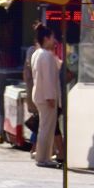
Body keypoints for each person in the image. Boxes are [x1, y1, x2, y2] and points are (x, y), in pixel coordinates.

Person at [30, 23, 62, 168]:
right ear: (46, 38)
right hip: (46, 96)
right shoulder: (46, 56)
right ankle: (43, 158)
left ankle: (44, 156)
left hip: (39, 95)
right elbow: (48, 78)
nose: (54, 41)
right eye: (52, 38)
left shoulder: (37, 54)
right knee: (46, 129)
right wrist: (50, 97)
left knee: (45, 127)